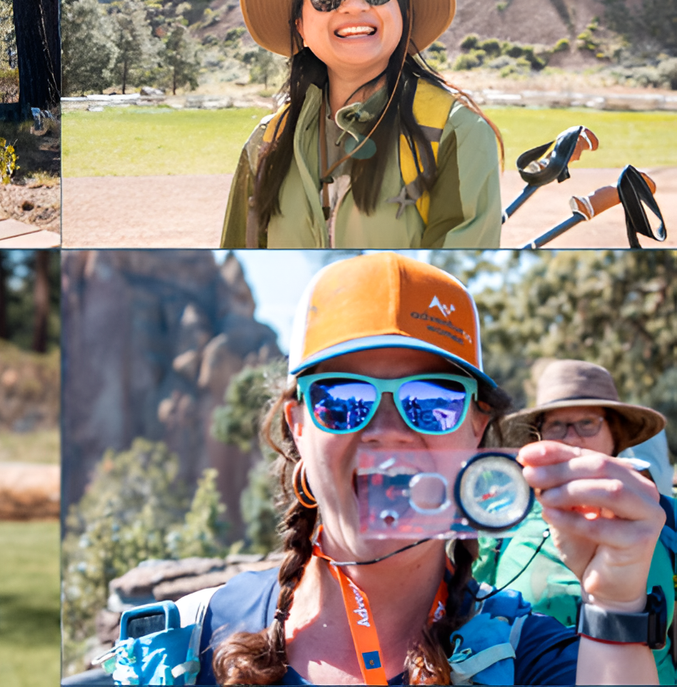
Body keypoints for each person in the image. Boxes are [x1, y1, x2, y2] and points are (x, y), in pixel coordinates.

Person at [110, 253, 659, 685]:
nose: (388, 429)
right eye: (344, 398)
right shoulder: (185, 644)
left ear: (475, 427)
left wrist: (614, 604)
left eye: (432, 399)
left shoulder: (533, 659)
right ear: (299, 425)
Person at [221, 0, 506, 249]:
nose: (354, 5)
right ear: (300, 26)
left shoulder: (456, 133)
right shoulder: (266, 144)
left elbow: (442, 294)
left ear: (402, 10)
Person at [476, 359, 677, 682]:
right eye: (557, 425)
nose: (572, 437)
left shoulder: (662, 518)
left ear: (615, 434)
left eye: (587, 422)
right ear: (539, 438)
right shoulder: (502, 520)